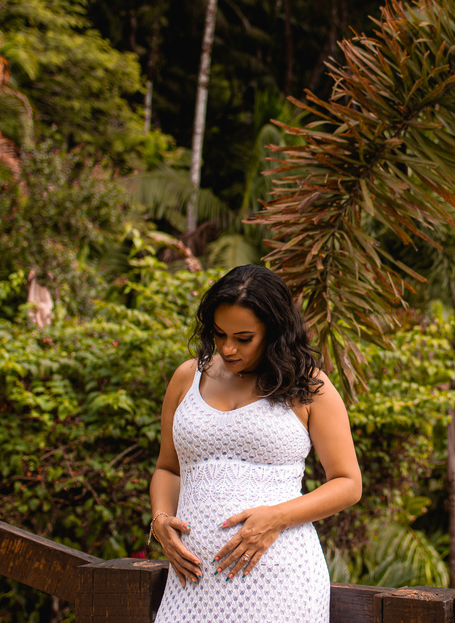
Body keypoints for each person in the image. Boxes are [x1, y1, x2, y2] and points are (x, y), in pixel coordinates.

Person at [148, 265, 361, 622]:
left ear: (274, 332)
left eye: (244, 338)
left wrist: (276, 518)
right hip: (190, 582)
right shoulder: (188, 377)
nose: (228, 348)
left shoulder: (309, 388)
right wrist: (160, 519)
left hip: (279, 579)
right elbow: (168, 469)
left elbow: (348, 483)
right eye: (219, 334)